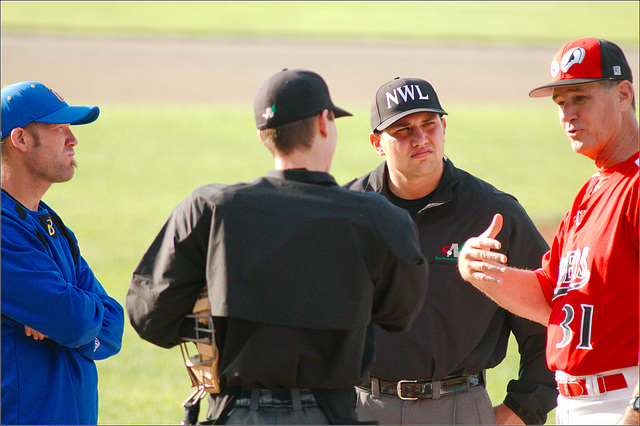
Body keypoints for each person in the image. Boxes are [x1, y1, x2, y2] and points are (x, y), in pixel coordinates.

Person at [126, 69, 430, 424]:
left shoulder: (211, 209)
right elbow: (400, 314)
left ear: (263, 136)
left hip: (236, 414)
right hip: (329, 415)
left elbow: (149, 317)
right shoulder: (380, 218)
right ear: (323, 122)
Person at [345, 77, 557, 425]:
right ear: (377, 143)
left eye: (429, 124)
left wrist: (521, 409)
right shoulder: (348, 214)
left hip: (459, 408)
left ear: (443, 127)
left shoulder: (493, 214)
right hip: (365, 409)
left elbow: (551, 317)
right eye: (402, 129)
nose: (420, 138)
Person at [457, 37, 639, 425]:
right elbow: (551, 298)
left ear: (623, 94)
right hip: (577, 404)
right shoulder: (593, 190)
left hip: (624, 399)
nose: (567, 114)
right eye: (560, 103)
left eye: (580, 98)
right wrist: (486, 275)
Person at [1, 81, 125, 425]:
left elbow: (112, 326)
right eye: (58, 130)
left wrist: (63, 320)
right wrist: (69, 321)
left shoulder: (50, 223)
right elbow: (73, 321)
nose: (73, 140)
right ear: (20, 140)